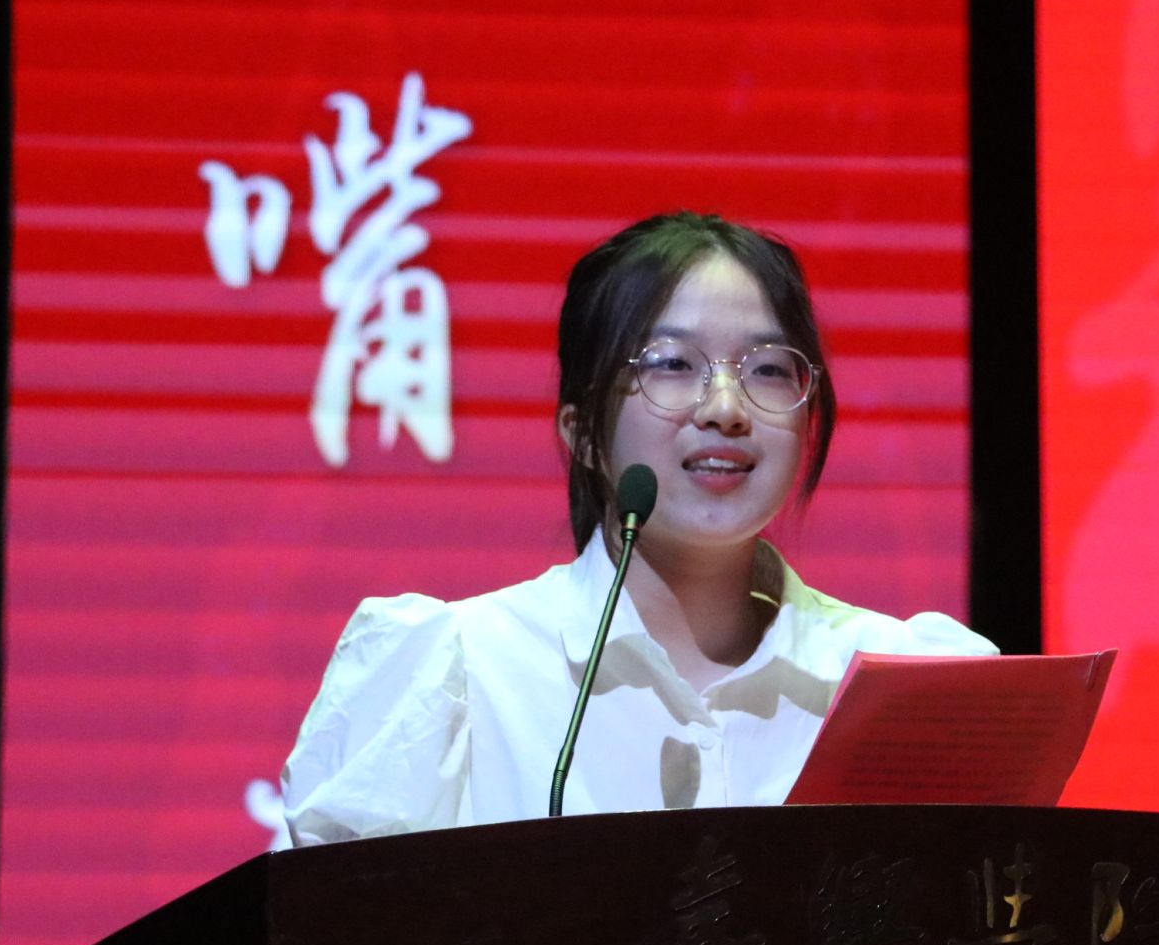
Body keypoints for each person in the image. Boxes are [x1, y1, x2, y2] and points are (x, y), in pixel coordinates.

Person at [281, 212, 995, 842]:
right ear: (582, 432)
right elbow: (339, 939)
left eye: (770, 370)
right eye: (673, 364)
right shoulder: (462, 673)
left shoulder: (907, 683)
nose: (726, 408)